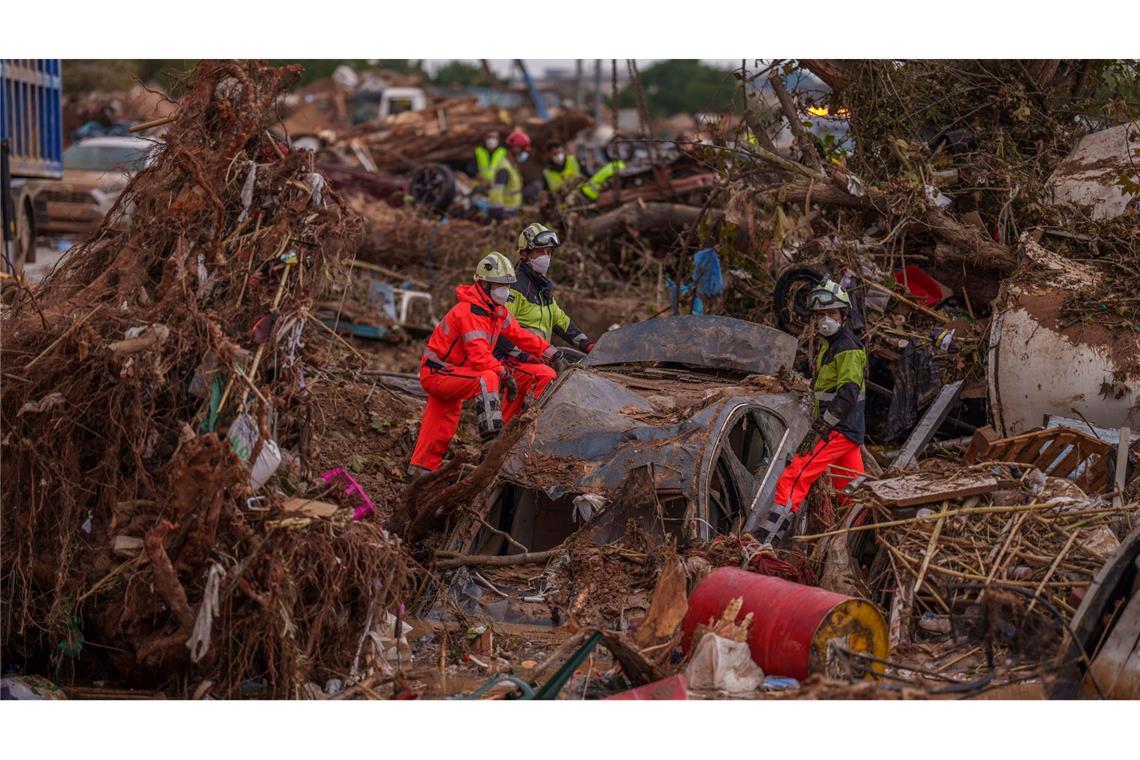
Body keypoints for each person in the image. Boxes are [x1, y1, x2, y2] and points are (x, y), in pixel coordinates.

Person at [407, 252, 562, 479]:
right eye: (500, 285)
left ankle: (420, 471)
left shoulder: (495, 312)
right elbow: (480, 357)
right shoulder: (469, 312)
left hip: (453, 373)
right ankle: (491, 441)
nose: (505, 291)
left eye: (507, 285)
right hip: (439, 373)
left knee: (440, 426)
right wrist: (504, 373)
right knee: (486, 377)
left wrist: (553, 353)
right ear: (484, 284)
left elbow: (521, 336)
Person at [755, 278, 866, 545]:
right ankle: (865, 542)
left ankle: (763, 543)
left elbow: (848, 393)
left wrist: (822, 427)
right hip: (847, 431)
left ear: (844, 315)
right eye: (820, 315)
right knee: (853, 495)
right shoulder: (831, 346)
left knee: (795, 477)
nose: (825, 320)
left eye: (831, 314)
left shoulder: (848, 348)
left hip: (837, 429)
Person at [493, 222, 592, 418]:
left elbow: (561, 321)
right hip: (513, 359)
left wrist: (588, 345)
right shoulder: (515, 288)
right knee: (545, 378)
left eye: (549, 251)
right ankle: (532, 427)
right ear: (525, 254)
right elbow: (499, 329)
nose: (546, 257)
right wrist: (524, 355)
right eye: (540, 252)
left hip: (537, 356)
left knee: (580, 364)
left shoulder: (542, 288)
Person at [488, 129, 529, 220]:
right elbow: (497, 192)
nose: (524, 153)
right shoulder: (505, 168)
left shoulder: (512, 166)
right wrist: (500, 214)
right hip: (503, 214)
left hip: (511, 212)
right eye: (523, 149)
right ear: (515, 148)